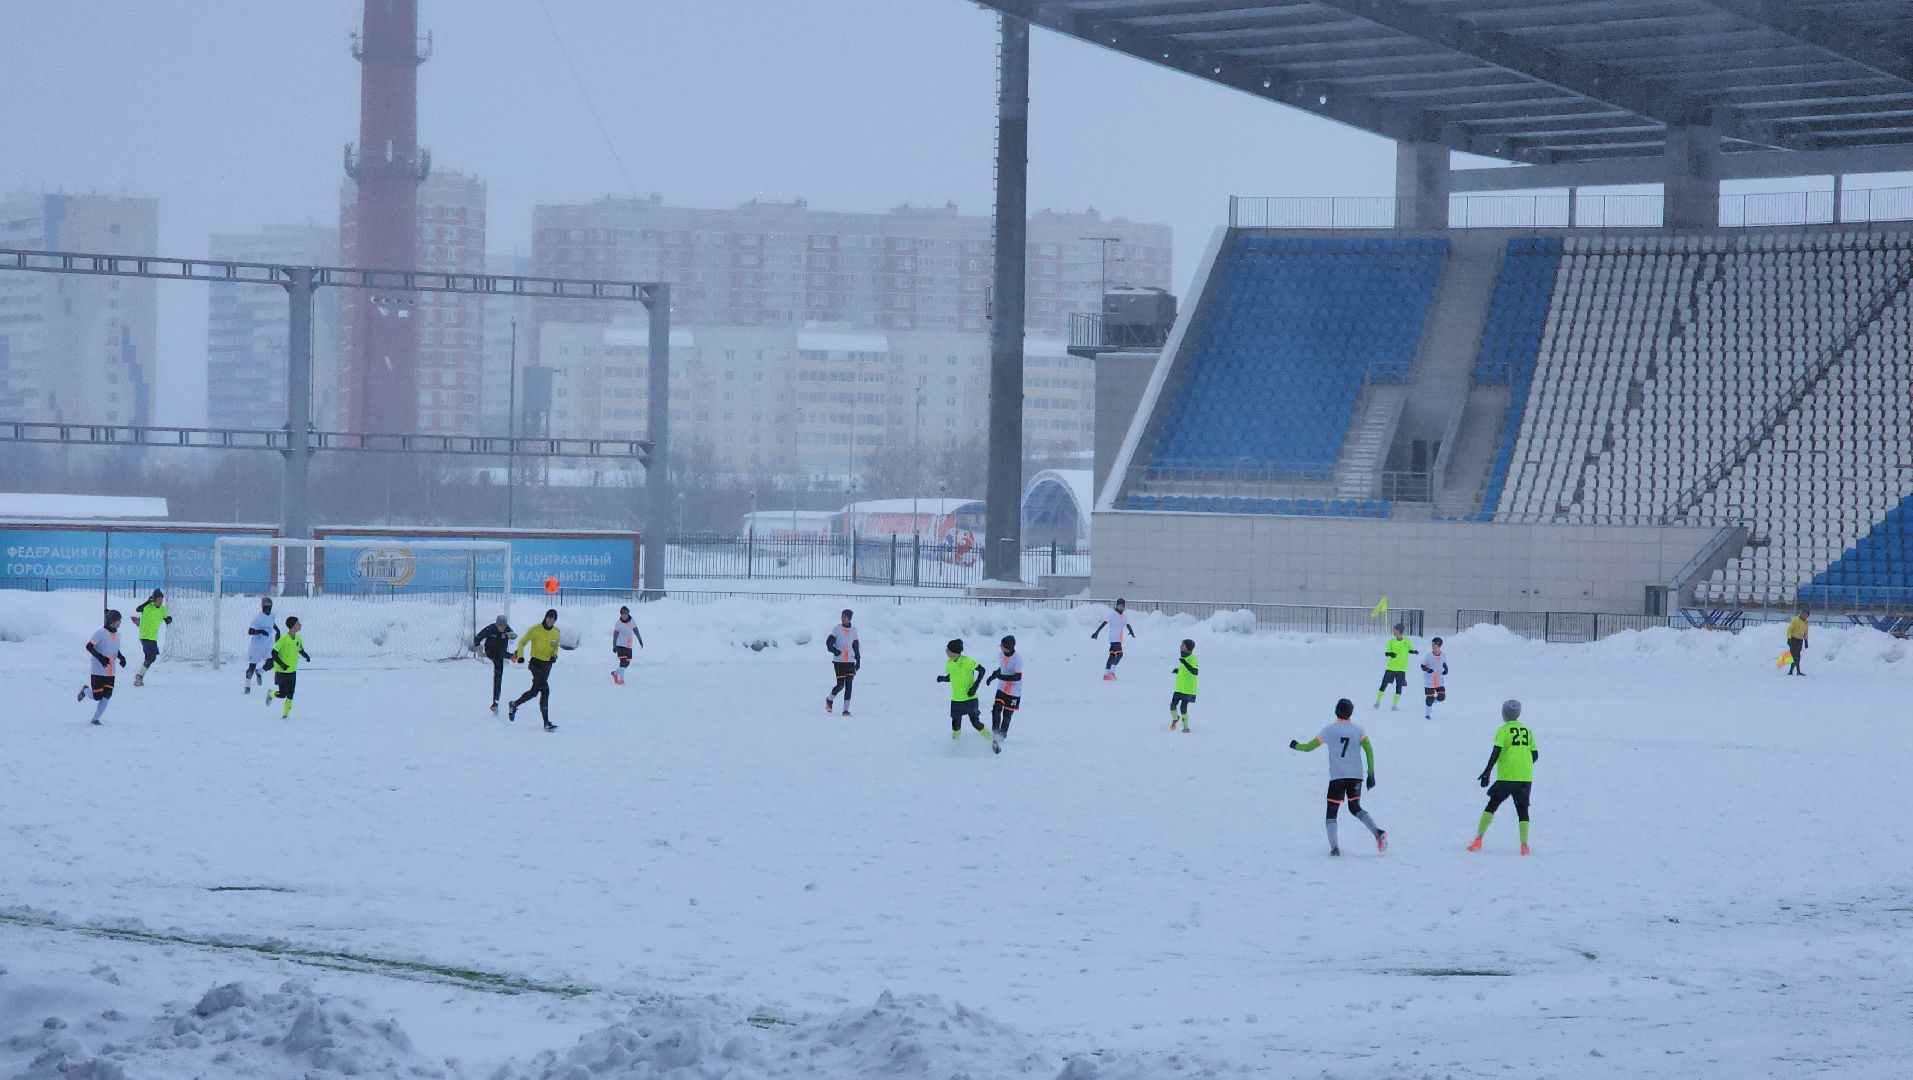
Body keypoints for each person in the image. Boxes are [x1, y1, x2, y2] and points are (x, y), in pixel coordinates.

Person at [1290, 698, 1387, 857]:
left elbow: (1309, 747)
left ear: (1336, 711)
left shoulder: (1329, 730)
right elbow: (1369, 750)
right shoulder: (1359, 730)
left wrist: (1296, 746)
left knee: (1332, 812)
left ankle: (1335, 849)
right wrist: (1371, 774)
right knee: (1355, 807)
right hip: (1356, 776)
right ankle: (1378, 832)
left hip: (1337, 777)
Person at [1468, 699, 1538, 856]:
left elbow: (1496, 752)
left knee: (1492, 805)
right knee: (1523, 810)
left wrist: (1487, 772)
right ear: (1518, 714)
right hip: (1525, 777)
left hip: (1506, 776)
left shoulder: (1503, 730)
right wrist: (1523, 765)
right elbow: (1535, 754)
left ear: (1504, 714)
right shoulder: (1527, 730)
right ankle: (1524, 845)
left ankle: (1478, 839)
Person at [510, 608, 561, 732]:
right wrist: (521, 656)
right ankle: (546, 723)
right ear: (545, 617)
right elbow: (522, 642)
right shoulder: (535, 629)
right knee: (545, 690)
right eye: (549, 617)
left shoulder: (556, 632)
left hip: (547, 665)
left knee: (534, 691)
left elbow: (555, 646)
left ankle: (514, 704)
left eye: (553, 619)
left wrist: (554, 655)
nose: (550, 620)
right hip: (536, 664)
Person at [78, 608, 128, 726]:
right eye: (118, 621)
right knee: (97, 696)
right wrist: (100, 658)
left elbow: (114, 648)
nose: (120, 623)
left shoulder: (118, 635)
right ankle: (85, 690)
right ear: (111, 622)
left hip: (110, 671)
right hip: (98, 670)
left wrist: (121, 658)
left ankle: (95, 718)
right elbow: (89, 646)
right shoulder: (100, 633)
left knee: (107, 695)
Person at [937, 637, 988, 744]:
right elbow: (952, 676)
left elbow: (982, 670)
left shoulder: (967, 660)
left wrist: (975, 687)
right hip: (956, 699)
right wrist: (943, 678)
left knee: (975, 723)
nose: (946, 651)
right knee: (955, 724)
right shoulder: (949, 662)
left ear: (954, 651)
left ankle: (991, 740)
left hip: (970, 698)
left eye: (948, 649)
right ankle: (955, 745)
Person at [262, 616, 310, 719]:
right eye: (298, 623)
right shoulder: (283, 639)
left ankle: (285, 715)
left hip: (292, 671)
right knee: (283, 694)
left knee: (291, 694)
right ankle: (271, 693)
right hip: (281, 672)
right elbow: (274, 653)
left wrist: (306, 656)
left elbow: (299, 649)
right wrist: (282, 664)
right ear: (293, 626)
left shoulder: (298, 639)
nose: (300, 625)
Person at [986, 634, 1023, 751]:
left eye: (1001, 646)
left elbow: (1018, 677)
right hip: (1002, 687)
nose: (1000, 647)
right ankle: (995, 732)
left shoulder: (1018, 659)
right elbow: (1001, 668)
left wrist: (1001, 676)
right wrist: (992, 677)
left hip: (1014, 690)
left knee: (1007, 714)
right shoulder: (1000, 654)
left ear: (1008, 647)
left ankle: (1002, 734)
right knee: (996, 708)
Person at [473, 614, 516, 713]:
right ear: (496, 624)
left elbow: (514, 635)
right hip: (491, 651)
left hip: (501, 653)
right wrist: (478, 648)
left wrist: (512, 635)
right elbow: (478, 637)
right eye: (500, 625)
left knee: (498, 676)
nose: (502, 627)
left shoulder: (507, 629)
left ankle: (495, 703)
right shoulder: (490, 629)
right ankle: (512, 656)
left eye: (504, 625)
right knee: (499, 654)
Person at [824, 608, 861, 716]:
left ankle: (845, 710)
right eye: (841, 616)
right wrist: (835, 651)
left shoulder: (854, 630)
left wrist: (858, 660)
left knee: (849, 685)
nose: (842, 618)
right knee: (840, 685)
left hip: (850, 661)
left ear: (849, 618)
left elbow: (856, 646)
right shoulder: (836, 629)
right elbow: (828, 643)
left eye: (844, 616)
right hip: (839, 661)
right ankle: (829, 700)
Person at [1090, 598, 1136, 681]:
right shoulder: (1112, 614)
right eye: (1119, 606)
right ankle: (1111, 672)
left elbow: (1127, 624)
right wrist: (1097, 632)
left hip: (1118, 638)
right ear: (1116, 605)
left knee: (1112, 656)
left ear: (1124, 606)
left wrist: (1131, 631)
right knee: (1120, 654)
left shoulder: (1124, 615)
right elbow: (1104, 623)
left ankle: (1106, 674)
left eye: (1122, 606)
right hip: (1114, 637)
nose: (1120, 607)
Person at [132, 589, 171, 687]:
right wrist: (148, 602)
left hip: (153, 636)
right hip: (144, 635)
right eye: (158, 599)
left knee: (150, 657)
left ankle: (139, 676)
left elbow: (166, 619)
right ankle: (139, 677)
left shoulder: (163, 609)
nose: (160, 601)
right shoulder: (147, 606)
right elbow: (138, 609)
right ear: (153, 599)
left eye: (161, 600)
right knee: (151, 656)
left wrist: (169, 619)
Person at [1375, 623, 1417, 710]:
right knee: (1383, 685)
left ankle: (1394, 705)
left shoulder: (1407, 641)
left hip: (1401, 669)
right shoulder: (1391, 642)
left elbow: (1410, 649)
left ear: (1399, 631)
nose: (1393, 631)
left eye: (1395, 630)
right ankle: (1378, 701)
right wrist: (1390, 653)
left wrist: (1413, 651)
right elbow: (1386, 653)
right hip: (1391, 668)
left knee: (1399, 686)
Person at [243, 597, 278, 694]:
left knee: (272, 662)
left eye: (268, 607)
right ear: (262, 607)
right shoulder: (258, 619)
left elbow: (272, 623)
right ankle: (247, 686)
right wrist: (260, 631)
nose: (267, 609)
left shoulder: (272, 615)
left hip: (268, 645)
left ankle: (260, 672)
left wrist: (277, 630)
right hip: (257, 646)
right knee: (252, 666)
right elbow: (250, 631)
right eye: (265, 606)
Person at [1169, 638, 1198, 733]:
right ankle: (1175, 718)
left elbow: (1195, 672)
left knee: (1183, 708)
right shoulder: (1183, 658)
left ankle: (1186, 728)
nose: (1180, 646)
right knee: (1172, 706)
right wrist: (1178, 670)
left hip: (1188, 689)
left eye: (1183, 645)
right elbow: (1185, 671)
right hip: (1179, 688)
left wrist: (1185, 663)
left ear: (1188, 648)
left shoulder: (1192, 659)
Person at [611, 605, 643, 685]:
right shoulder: (618, 624)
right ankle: (621, 681)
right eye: (622, 614)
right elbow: (615, 636)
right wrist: (614, 646)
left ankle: (615, 674)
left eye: (626, 614)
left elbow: (636, 631)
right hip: (620, 645)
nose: (624, 616)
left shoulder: (632, 621)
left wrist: (640, 640)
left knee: (627, 663)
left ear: (628, 614)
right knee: (622, 662)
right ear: (620, 615)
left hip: (628, 645)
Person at [1419, 636, 1449, 720]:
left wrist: (1446, 669)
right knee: (1429, 698)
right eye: (1432, 644)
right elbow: (1422, 666)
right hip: (1429, 680)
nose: (1432, 645)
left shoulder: (1443, 655)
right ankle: (1427, 713)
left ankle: (1431, 701)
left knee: (1442, 697)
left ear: (1438, 645)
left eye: (1434, 644)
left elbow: (1444, 663)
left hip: (1439, 679)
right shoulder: (1428, 656)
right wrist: (1427, 669)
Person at [1786, 608, 1810, 676]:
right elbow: (1789, 629)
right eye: (1803, 613)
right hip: (1793, 640)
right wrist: (1789, 638)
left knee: (1797, 656)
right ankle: (1796, 671)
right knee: (1795, 656)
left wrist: (1806, 641)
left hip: (1800, 641)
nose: (1804, 615)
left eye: (1806, 615)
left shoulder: (1806, 623)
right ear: (1801, 613)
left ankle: (1792, 671)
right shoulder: (1795, 620)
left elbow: (1806, 633)